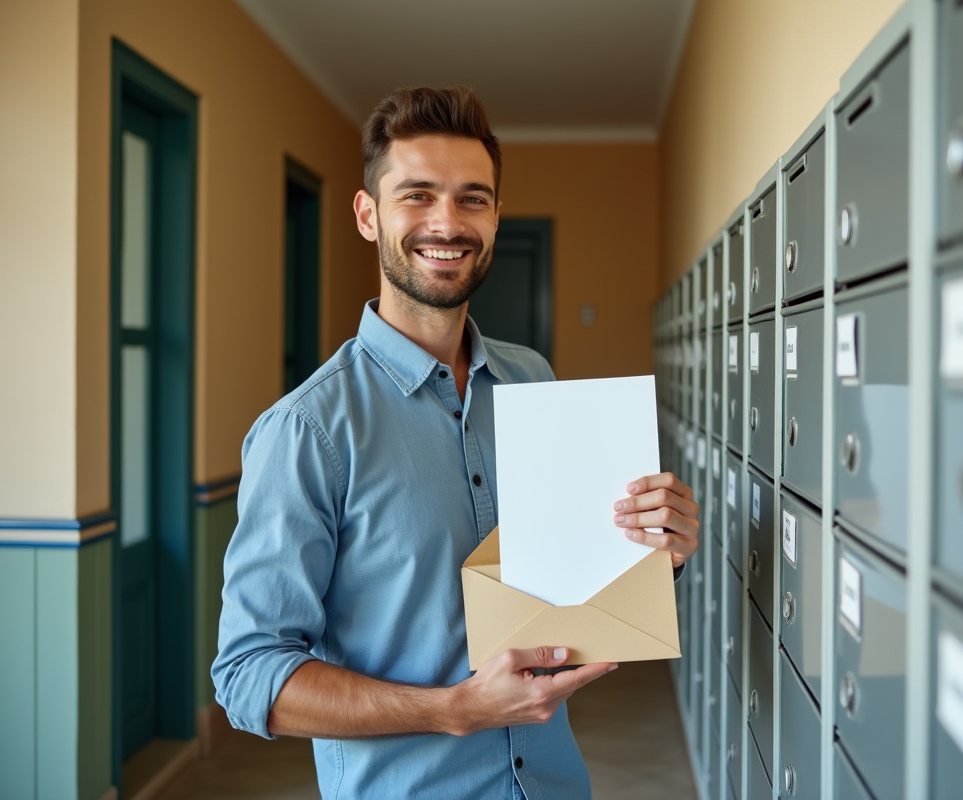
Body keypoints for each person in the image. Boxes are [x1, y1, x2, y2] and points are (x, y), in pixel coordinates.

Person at [212, 85, 700, 800]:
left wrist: (657, 552)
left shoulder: (531, 377)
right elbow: (249, 676)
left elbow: (566, 586)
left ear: (497, 217)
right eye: (418, 195)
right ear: (367, 214)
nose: (448, 222)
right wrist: (454, 711)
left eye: (473, 198)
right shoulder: (307, 430)